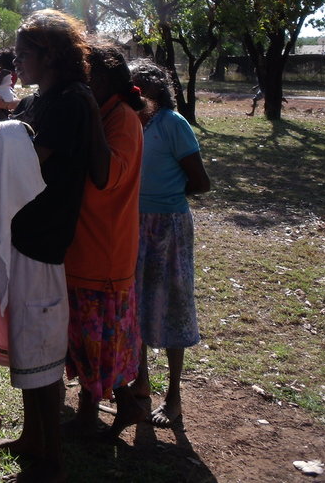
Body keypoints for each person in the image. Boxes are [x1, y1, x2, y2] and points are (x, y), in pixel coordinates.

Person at [0, 9, 108, 483]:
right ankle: (32, 437)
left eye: (23, 52)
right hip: (26, 233)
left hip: (42, 242)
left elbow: (29, 160)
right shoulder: (42, 99)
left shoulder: (69, 102)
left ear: (51, 54)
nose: (17, 61)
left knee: (41, 353)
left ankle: (51, 456)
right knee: (27, 344)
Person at [63, 40, 146, 437]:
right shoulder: (105, 113)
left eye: (85, 76)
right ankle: (123, 404)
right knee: (89, 338)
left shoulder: (122, 120)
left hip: (104, 250)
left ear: (104, 79)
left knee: (97, 340)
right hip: (88, 245)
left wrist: (85, 114)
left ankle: (89, 413)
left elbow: (105, 175)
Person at [129, 60, 211, 431]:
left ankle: (174, 396)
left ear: (151, 92)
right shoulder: (129, 126)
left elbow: (200, 181)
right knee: (137, 301)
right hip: (132, 225)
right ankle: (141, 382)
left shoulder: (172, 125)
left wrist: (164, 201)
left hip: (168, 226)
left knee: (173, 303)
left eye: (133, 89)